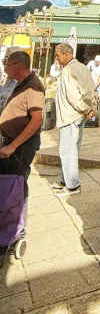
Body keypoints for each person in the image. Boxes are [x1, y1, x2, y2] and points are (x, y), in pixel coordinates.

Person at [0, 49, 45, 242]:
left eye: (7, 65)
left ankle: (18, 232)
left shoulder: (33, 85)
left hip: (21, 146)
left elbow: (36, 121)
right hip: (11, 143)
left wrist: (13, 145)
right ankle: (8, 227)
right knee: (9, 186)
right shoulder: (18, 83)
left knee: (18, 187)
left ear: (18, 66)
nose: (5, 68)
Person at [52, 43, 96, 196]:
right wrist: (91, 108)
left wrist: (86, 109)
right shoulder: (83, 67)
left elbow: (73, 96)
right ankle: (66, 180)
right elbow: (92, 89)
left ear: (65, 54)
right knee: (72, 149)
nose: (56, 58)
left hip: (71, 115)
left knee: (67, 151)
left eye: (57, 55)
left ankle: (72, 185)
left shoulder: (68, 70)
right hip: (79, 114)